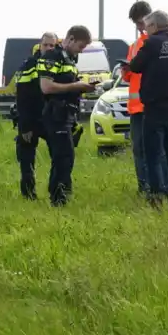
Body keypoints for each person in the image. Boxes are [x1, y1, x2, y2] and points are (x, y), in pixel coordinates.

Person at [126, 10, 168, 209]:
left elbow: (135, 66)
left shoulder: (151, 43)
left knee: (152, 155)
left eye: (147, 26)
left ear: (153, 26)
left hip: (156, 108)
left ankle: (156, 197)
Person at [38, 25, 97, 207]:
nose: (81, 50)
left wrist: (83, 86)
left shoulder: (69, 60)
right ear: (70, 39)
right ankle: (58, 199)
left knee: (67, 157)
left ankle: (63, 195)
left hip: (67, 114)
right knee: (63, 157)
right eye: (80, 46)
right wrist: (77, 86)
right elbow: (46, 87)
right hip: (56, 114)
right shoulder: (52, 57)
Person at [14, 32, 59, 200]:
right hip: (31, 118)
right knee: (26, 160)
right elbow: (22, 98)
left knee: (58, 156)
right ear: (40, 45)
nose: (48, 48)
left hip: (51, 118)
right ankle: (28, 193)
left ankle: (55, 191)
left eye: (52, 45)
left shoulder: (57, 63)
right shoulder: (29, 65)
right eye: (46, 45)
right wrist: (25, 126)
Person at [125, 0, 153, 196]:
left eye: (140, 22)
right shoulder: (134, 46)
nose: (138, 27)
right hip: (136, 107)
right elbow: (128, 76)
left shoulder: (155, 42)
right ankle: (144, 186)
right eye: (136, 23)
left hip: (151, 105)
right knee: (138, 149)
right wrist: (125, 71)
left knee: (153, 149)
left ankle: (155, 185)